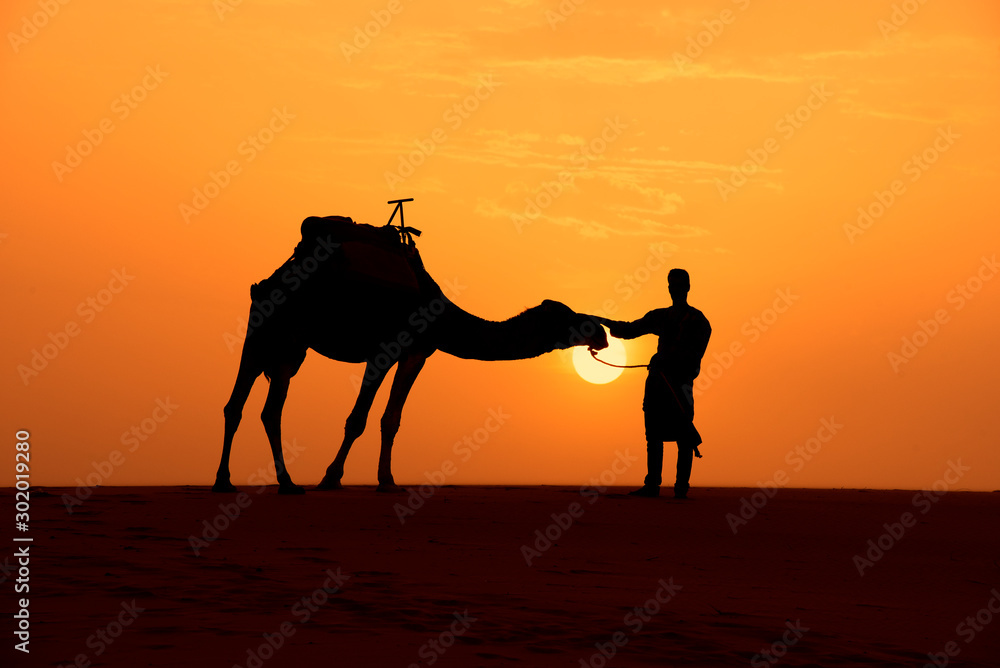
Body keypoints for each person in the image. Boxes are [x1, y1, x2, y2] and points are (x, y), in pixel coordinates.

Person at [597, 269, 711, 499]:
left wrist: (673, 363)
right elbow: (629, 330)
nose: (675, 289)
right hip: (658, 384)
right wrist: (600, 321)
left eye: (679, 285)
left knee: (684, 435)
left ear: (687, 287)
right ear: (668, 288)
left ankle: (681, 487)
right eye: (672, 285)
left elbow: (696, 356)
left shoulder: (699, 321)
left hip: (680, 385)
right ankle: (652, 485)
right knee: (654, 435)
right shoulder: (661, 316)